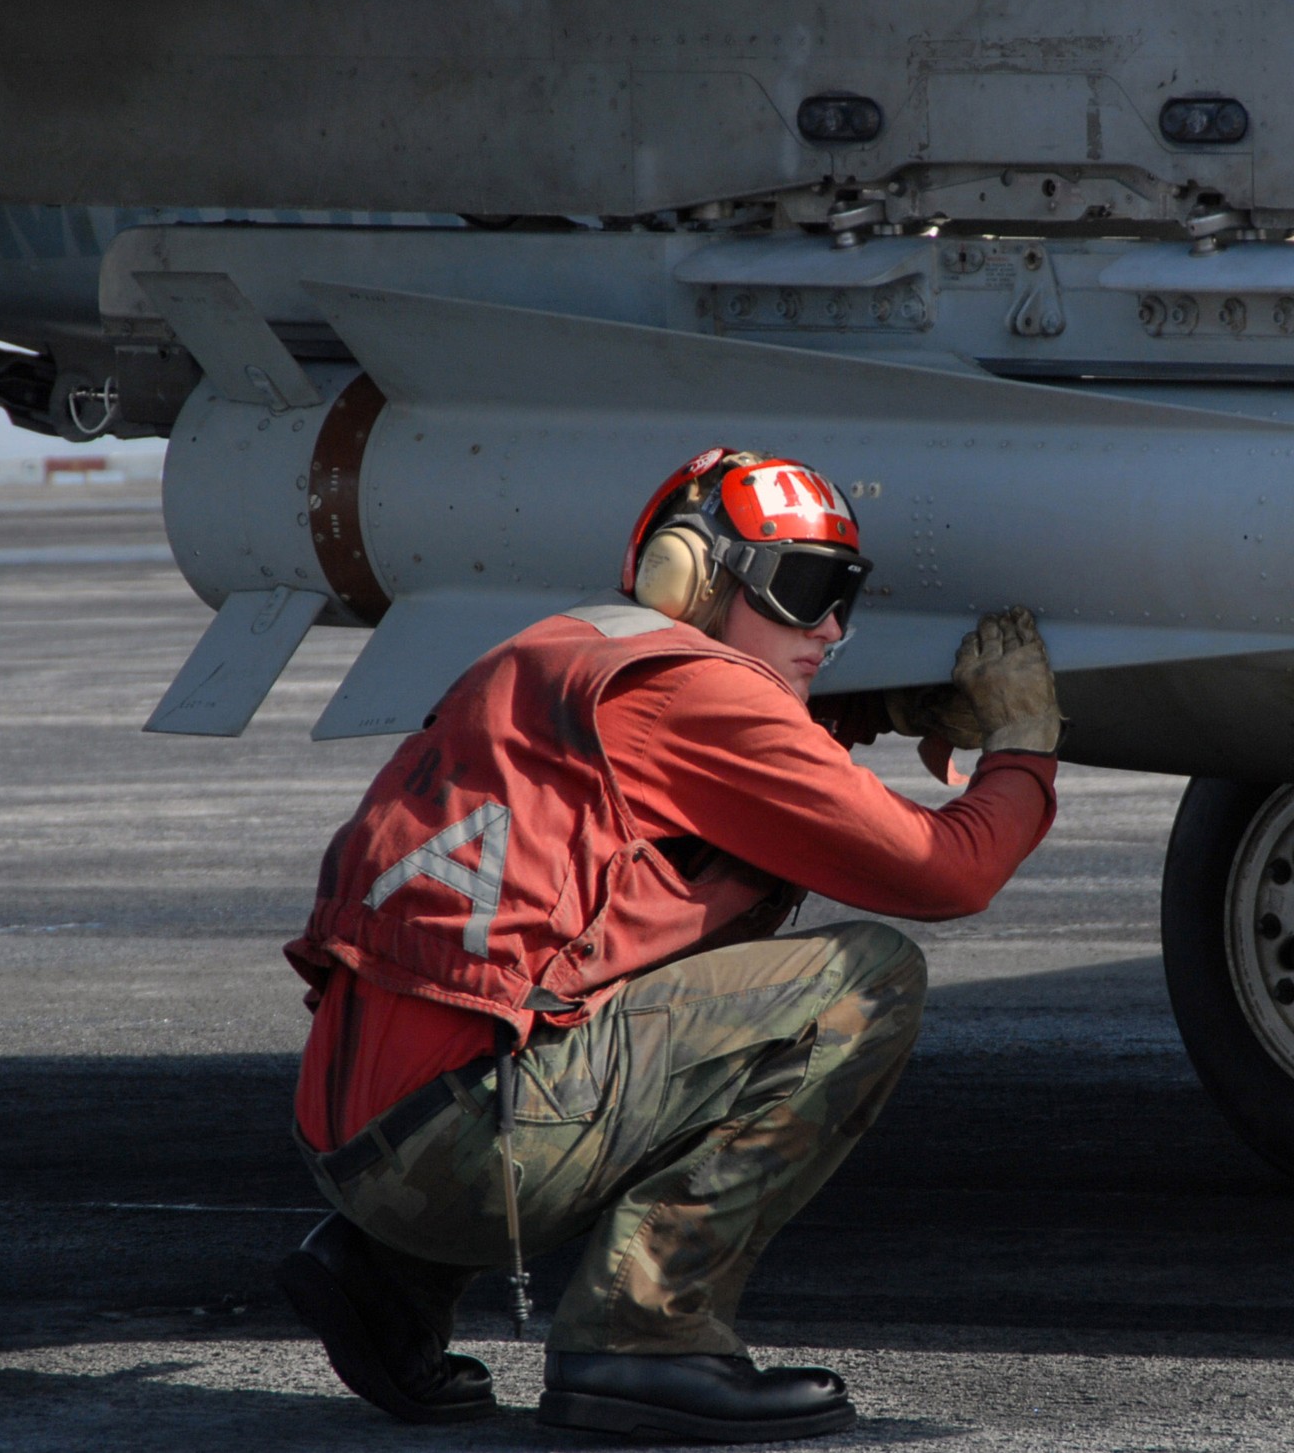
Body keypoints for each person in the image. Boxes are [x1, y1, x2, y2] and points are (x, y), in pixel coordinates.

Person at [273, 446, 1065, 1442]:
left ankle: (385, 1277)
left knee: (644, 948)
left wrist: (881, 705)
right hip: (472, 1151)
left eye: (843, 595)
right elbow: (947, 869)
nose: (830, 626)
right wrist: (1024, 740)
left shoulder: (565, 652)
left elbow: (723, 754)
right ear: (690, 575)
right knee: (862, 979)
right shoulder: (695, 697)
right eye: (802, 588)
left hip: (362, 1143)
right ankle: (644, 1339)